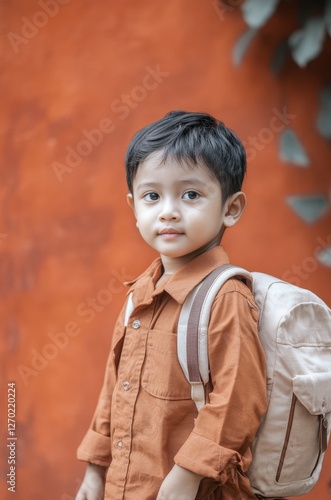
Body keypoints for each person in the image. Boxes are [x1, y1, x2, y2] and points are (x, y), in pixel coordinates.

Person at [75, 111, 267, 499]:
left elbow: (238, 400)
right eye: (152, 196)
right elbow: (115, 390)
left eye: (191, 194)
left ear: (230, 208)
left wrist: (188, 475)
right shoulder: (139, 295)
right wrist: (95, 473)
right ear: (134, 207)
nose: (168, 210)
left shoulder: (224, 298)